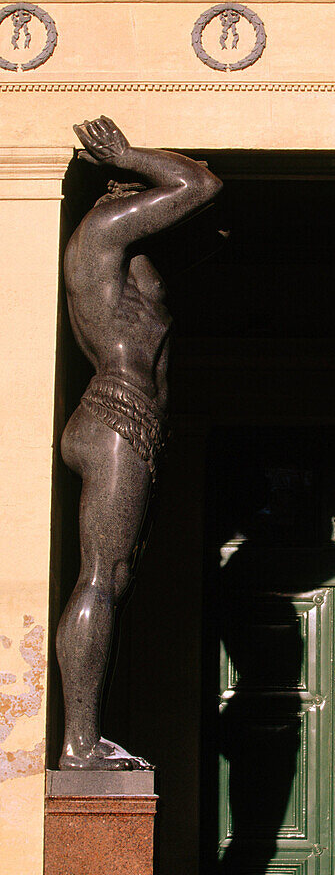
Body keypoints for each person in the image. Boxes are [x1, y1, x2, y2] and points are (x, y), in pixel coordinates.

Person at [56, 115, 222, 770]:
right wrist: (128, 153)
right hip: (116, 418)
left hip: (134, 425)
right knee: (102, 578)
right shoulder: (102, 230)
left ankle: (92, 734)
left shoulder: (134, 261)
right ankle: (78, 743)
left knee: (116, 581)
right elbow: (198, 186)